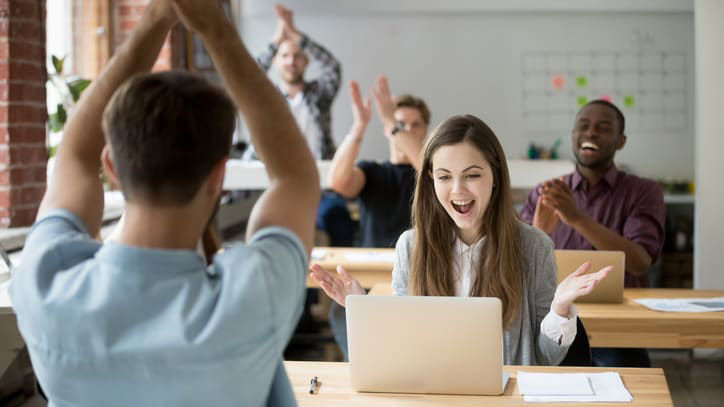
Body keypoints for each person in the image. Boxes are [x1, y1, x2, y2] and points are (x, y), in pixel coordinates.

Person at [9, 1, 319, 405]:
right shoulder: (251, 298)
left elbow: (73, 155)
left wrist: (154, 19)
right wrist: (216, 31)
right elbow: (294, 177)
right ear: (217, 176)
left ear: (112, 167)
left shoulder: (44, 284)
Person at [311, 114, 611, 365]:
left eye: (472, 175)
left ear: (495, 176)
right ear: (430, 181)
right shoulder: (411, 246)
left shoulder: (533, 246)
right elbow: (402, 348)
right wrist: (362, 308)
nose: (458, 190)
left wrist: (559, 308)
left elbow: (546, 360)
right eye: (444, 177)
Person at [520, 99, 665, 368]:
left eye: (603, 127)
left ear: (621, 141)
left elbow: (640, 261)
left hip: (620, 333)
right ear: (574, 136)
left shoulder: (643, 191)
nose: (590, 133)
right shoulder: (546, 191)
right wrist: (538, 232)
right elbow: (519, 267)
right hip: (556, 325)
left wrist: (576, 218)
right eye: (583, 126)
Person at [251, 3, 353, 247]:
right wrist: (278, 38)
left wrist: (296, 34)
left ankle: (344, 283)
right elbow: (249, 74)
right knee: (288, 231)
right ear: (276, 61)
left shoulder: (319, 94)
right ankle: (301, 286)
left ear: (306, 61)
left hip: (321, 186)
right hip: (279, 185)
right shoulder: (267, 98)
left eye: (297, 55)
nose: (291, 61)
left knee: (337, 218)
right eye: (285, 56)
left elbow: (331, 67)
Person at [327, 75, 429, 248]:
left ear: (426, 130)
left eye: (416, 125)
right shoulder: (372, 171)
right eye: (401, 124)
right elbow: (337, 182)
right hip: (373, 265)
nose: (408, 130)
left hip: (419, 266)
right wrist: (359, 125)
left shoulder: (435, 173)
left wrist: (391, 122)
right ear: (387, 130)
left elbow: (428, 168)